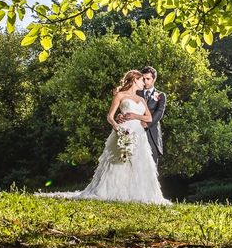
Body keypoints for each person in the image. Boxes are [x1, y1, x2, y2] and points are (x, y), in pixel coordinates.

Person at [42, 70, 169, 205]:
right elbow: (110, 116)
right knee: (118, 161)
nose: (144, 82)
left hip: (139, 134)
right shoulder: (120, 95)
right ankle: (113, 190)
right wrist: (116, 127)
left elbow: (149, 117)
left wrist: (134, 116)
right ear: (134, 80)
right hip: (124, 130)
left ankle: (138, 192)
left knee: (139, 162)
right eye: (141, 80)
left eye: (146, 80)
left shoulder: (142, 99)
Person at [129, 66, 166, 164]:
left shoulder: (161, 95)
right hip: (135, 131)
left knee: (152, 165)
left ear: (154, 79)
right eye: (143, 79)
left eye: (148, 79)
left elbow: (159, 112)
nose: (145, 81)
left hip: (152, 133)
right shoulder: (136, 92)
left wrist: (147, 123)